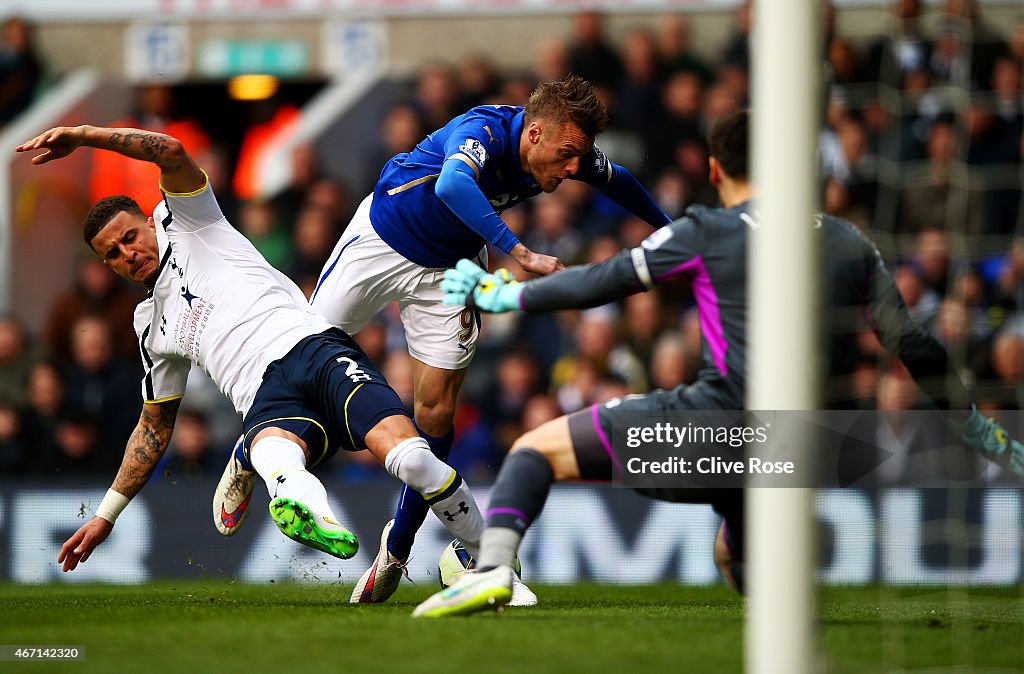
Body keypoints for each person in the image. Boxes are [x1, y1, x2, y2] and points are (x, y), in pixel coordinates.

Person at [412, 109, 1024, 617]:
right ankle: (783, 612)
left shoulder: (708, 228)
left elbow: (604, 281)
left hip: (722, 426)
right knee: (733, 554)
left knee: (533, 452)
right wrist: (973, 425)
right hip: (817, 446)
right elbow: (912, 344)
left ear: (713, 169)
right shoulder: (848, 241)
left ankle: (490, 571)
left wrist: (507, 293)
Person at [16, 125, 532, 609]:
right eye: (112, 254)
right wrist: (107, 514)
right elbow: (154, 426)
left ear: (147, 221)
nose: (127, 253)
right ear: (104, 266)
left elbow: (170, 151)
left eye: (129, 237)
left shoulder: (187, 220)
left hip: (314, 348)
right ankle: (306, 508)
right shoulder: (149, 325)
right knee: (277, 460)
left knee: (415, 462)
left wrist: (84, 136)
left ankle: (492, 563)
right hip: (265, 398)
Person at [219, 74, 668, 605]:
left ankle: (397, 544)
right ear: (535, 133)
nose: (573, 169)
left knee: (434, 414)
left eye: (579, 157)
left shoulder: (567, 149)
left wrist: (669, 230)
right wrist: (519, 253)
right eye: (567, 154)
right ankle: (251, 449)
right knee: (301, 359)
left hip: (448, 272)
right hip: (383, 239)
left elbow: (616, 179)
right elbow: (453, 185)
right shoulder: (483, 132)